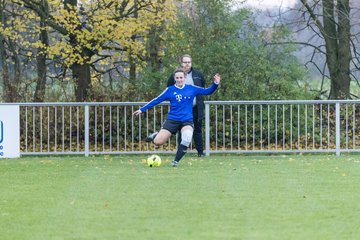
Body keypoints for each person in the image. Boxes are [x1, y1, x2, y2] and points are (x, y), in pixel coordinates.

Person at [133, 68, 221, 167]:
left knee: (187, 137)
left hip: (186, 120)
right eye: (177, 78)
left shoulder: (191, 88)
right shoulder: (170, 90)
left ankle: (176, 161)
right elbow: (156, 100)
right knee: (158, 142)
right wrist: (141, 110)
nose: (179, 80)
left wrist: (215, 84)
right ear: (174, 78)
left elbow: (207, 91)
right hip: (173, 120)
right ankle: (154, 136)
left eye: (181, 77)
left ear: (185, 77)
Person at [167, 54, 206, 157]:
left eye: (188, 62)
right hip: (181, 109)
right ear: (181, 63)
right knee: (181, 130)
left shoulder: (198, 74)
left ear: (191, 63)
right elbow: (169, 89)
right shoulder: (174, 76)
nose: (187, 64)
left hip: (196, 108)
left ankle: (200, 153)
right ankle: (181, 154)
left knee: (197, 130)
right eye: (185, 62)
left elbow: (203, 88)